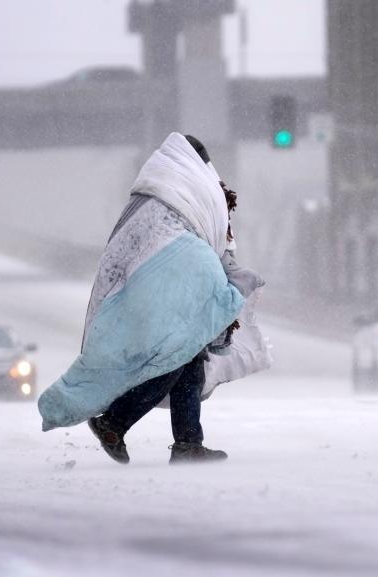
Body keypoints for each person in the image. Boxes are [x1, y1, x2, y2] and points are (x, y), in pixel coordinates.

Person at [38, 133, 266, 464]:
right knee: (175, 356)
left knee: (188, 358)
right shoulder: (189, 189)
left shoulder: (153, 193)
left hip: (147, 288)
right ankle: (114, 422)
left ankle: (188, 442)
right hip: (165, 287)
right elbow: (209, 236)